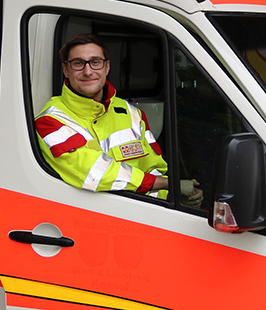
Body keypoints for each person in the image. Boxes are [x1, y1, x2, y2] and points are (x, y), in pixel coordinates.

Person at [35, 33, 203, 206]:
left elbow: (154, 169)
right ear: (65, 70)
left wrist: (174, 198)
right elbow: (94, 173)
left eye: (95, 62)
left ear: (107, 67)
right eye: (78, 63)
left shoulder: (132, 113)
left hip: (137, 218)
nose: (87, 71)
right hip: (84, 221)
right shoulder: (50, 121)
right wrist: (171, 185)